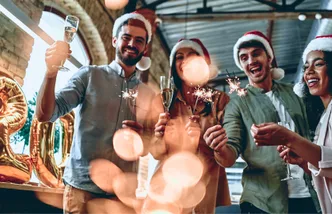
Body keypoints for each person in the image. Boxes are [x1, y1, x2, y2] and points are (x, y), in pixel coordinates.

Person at [35, 11, 156, 213]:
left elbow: (150, 147)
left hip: (123, 197)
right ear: (115, 40)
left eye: (139, 40)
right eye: (126, 37)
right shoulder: (89, 75)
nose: (132, 44)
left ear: (145, 49)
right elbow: (45, 114)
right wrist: (51, 72)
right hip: (81, 192)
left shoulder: (149, 95)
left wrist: (144, 139)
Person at [252, 35, 332, 213]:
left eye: (318, 64)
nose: (309, 72)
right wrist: (304, 162)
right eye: (306, 67)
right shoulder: (324, 118)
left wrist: (290, 139)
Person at [214, 30, 320, 213]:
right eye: (244, 58)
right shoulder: (237, 103)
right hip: (263, 201)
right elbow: (229, 155)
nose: (251, 61)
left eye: (256, 54)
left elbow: (316, 135)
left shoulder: (296, 93)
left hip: (309, 195)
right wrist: (219, 147)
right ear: (241, 65)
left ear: (269, 58)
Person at [150, 38, 231, 213]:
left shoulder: (220, 100)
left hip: (207, 188)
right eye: (179, 57)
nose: (185, 61)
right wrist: (159, 137)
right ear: (174, 66)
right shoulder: (163, 101)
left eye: (192, 55)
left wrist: (202, 139)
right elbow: (155, 153)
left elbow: (229, 153)